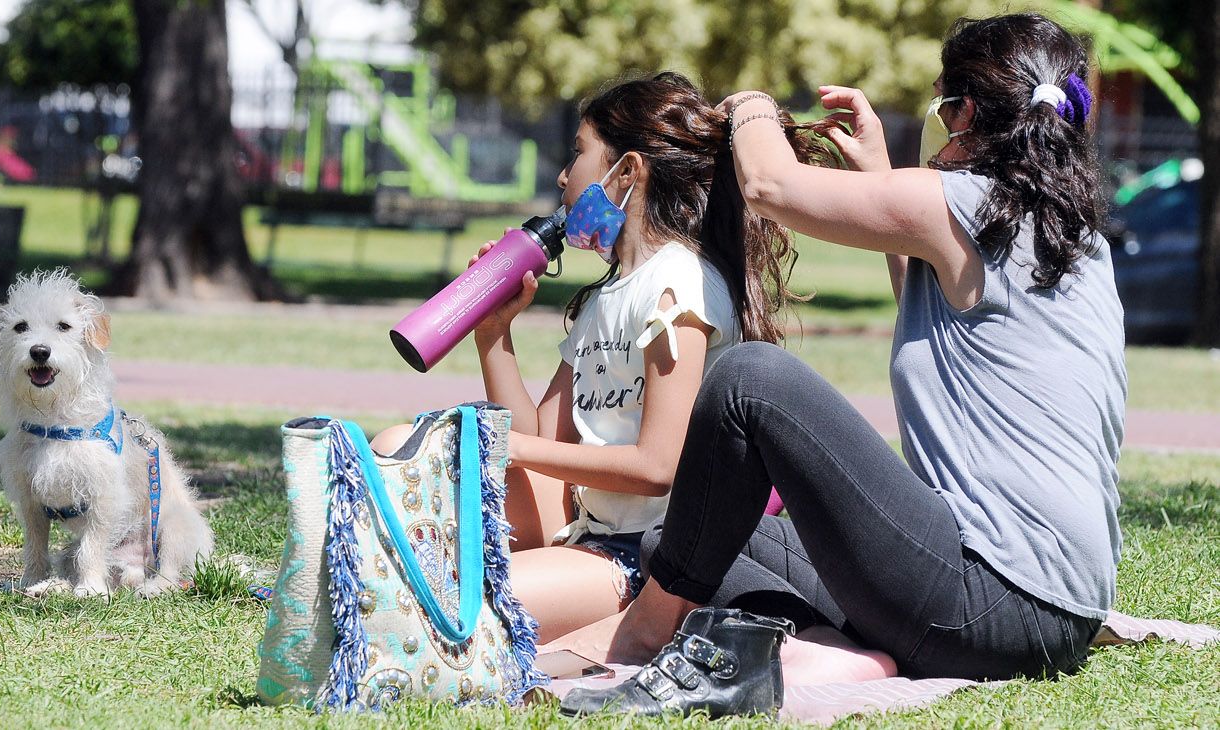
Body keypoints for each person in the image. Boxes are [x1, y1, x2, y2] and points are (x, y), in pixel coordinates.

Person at [551, 12, 1127, 703]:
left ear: (965, 112)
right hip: (1050, 610)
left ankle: (646, 634)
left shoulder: (963, 202)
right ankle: (837, 651)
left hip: (993, 604)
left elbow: (770, 187)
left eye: (940, 107)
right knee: (681, 540)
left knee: (749, 380)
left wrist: (752, 106)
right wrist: (880, 172)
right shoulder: (1069, 236)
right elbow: (934, 303)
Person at [372, 72, 835, 642]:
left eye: (578, 153)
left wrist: (511, 449)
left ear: (628, 172)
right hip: (587, 525)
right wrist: (494, 334)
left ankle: (623, 622)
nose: (563, 176)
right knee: (397, 449)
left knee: (462, 603)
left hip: (649, 556)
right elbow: (542, 441)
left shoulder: (679, 286)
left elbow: (658, 468)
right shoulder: (607, 296)